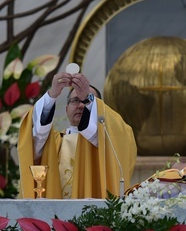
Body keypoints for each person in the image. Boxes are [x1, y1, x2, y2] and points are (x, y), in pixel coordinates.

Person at [17, 71, 136, 199]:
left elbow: (116, 134)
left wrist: (88, 98)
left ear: (98, 108)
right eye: (75, 100)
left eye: (86, 100)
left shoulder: (109, 135)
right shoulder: (53, 142)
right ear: (66, 108)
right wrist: (52, 95)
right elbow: (32, 138)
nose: (80, 105)